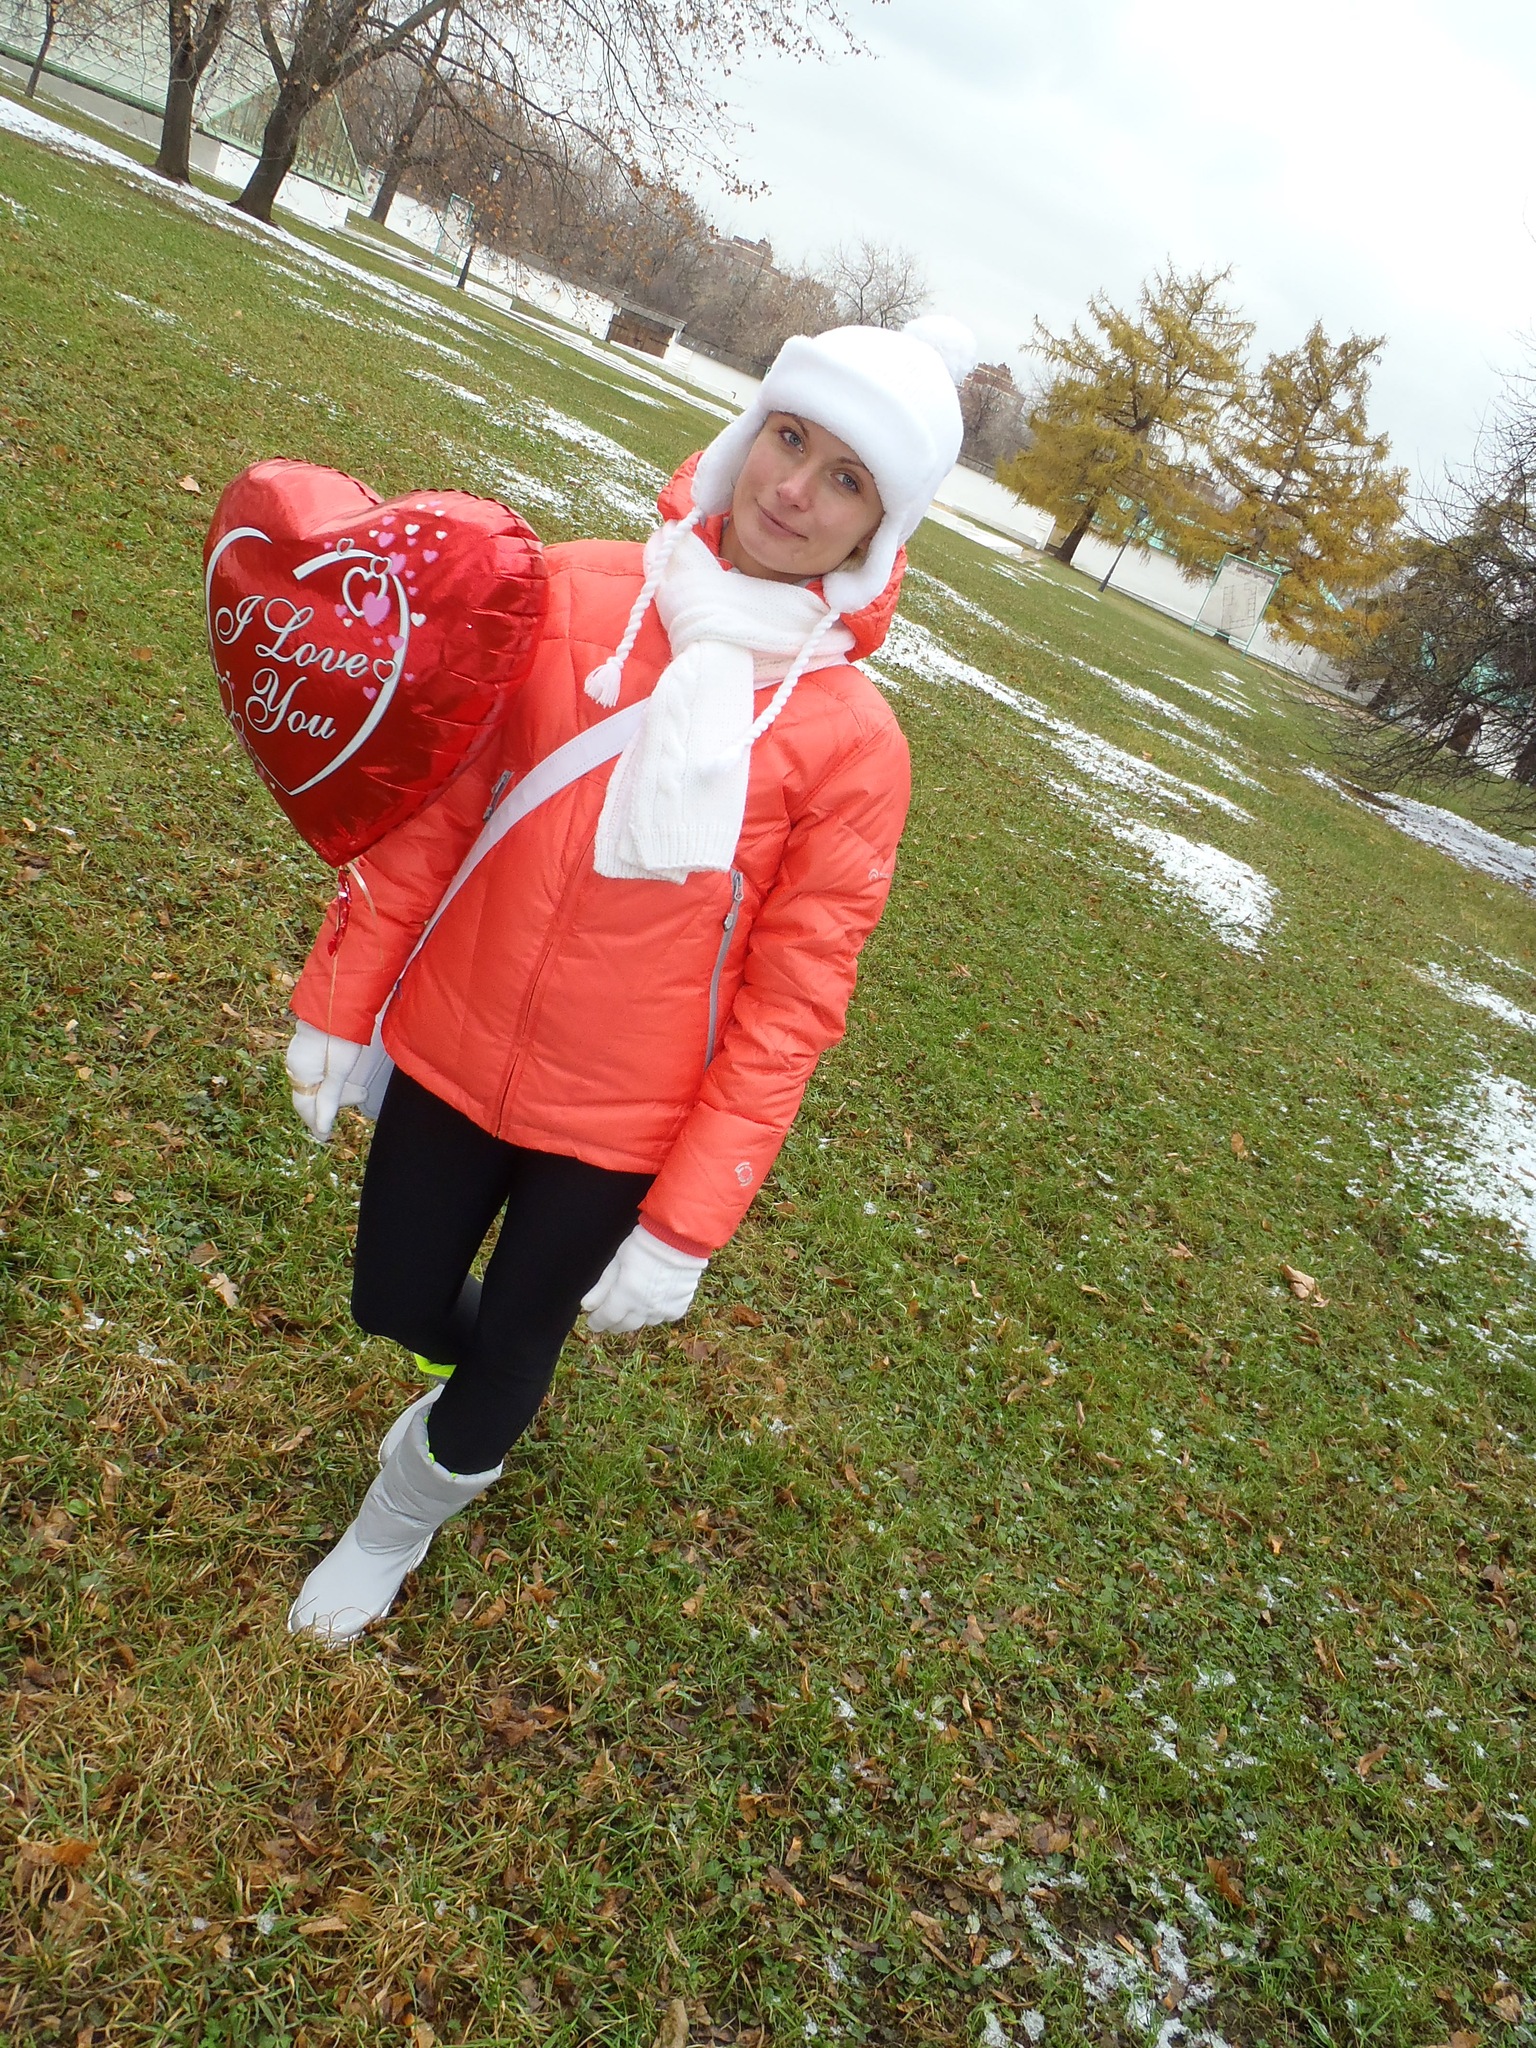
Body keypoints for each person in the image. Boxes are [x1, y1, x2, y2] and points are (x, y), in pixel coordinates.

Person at [282, 315, 976, 1645]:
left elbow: (790, 1009)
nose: (795, 490)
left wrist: (688, 1223)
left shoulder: (853, 744)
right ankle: (468, 1369)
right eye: (790, 439)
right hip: (454, 1043)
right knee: (394, 1296)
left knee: (517, 1345)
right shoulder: (573, 592)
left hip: (618, 1130)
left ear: (879, 530)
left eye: (846, 479)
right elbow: (437, 815)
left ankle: (397, 1520)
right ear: (746, 430)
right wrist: (338, 1000)